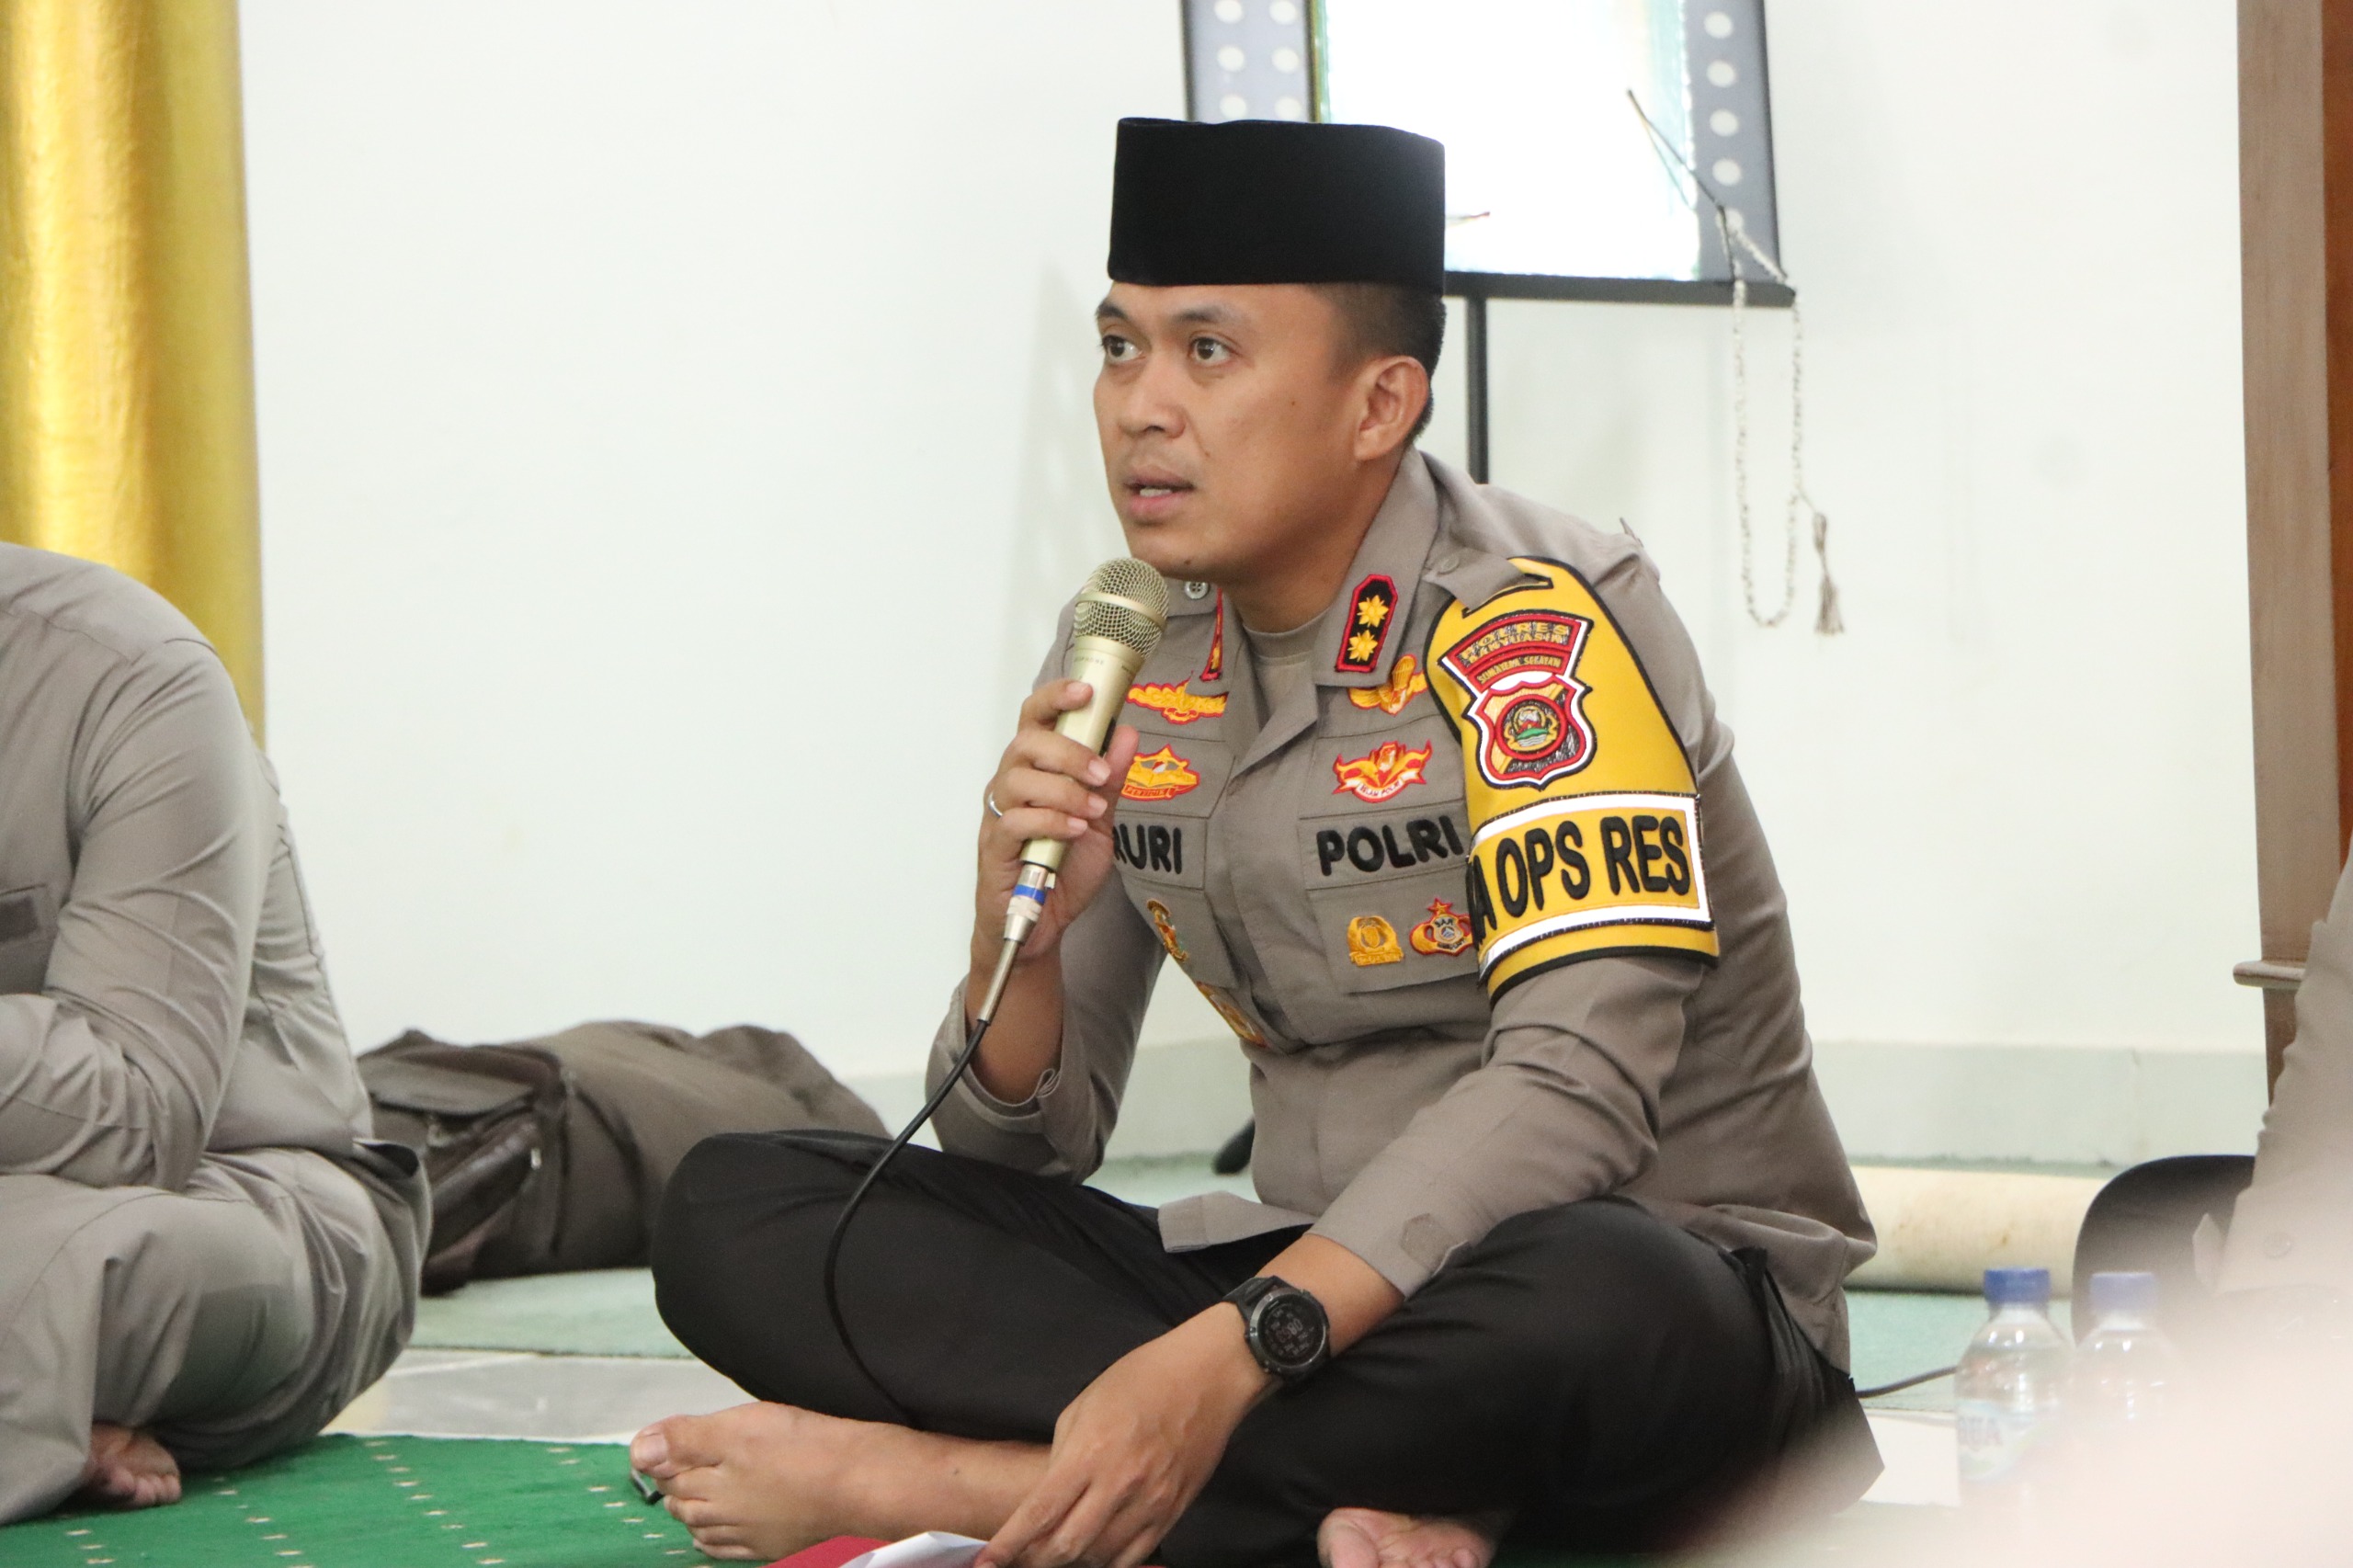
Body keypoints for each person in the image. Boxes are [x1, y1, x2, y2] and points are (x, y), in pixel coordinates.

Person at [633, 118, 1879, 1568]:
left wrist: (1228, 1355)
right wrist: (1010, 942)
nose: (1140, 408)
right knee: (742, 1208)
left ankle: (952, 1486)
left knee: (1610, 1298)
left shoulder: (1540, 618)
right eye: (1119, 349)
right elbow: (1023, 1150)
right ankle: (1396, 1501)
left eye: (1208, 352)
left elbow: (1576, 1089)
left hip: (1632, 1285)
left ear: (1378, 403)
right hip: (1307, 1292)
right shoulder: (1128, 647)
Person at [0, 544, 426, 1521]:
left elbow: (139, 1105)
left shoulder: (127, 674)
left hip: (229, 1190)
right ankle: (53, 1414)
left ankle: (54, 1395)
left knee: (73, 1275)